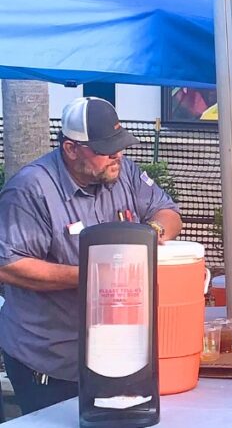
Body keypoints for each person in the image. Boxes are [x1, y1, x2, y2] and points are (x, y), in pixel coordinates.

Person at [0, 97, 182, 414]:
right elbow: (9, 266)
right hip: (51, 358)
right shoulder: (31, 189)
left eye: (119, 145)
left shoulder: (123, 172)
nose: (117, 155)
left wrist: (150, 234)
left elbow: (168, 212)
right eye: (105, 149)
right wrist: (95, 277)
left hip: (117, 352)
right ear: (71, 149)